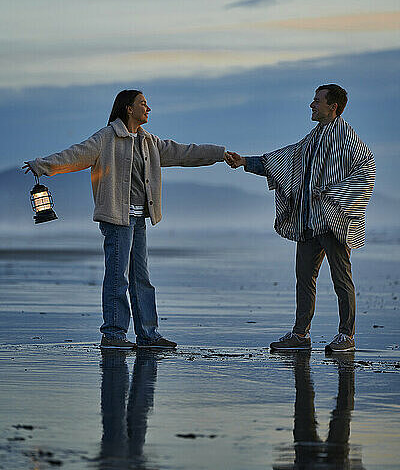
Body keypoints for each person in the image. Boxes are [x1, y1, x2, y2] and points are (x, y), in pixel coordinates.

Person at [23, 89, 228, 350]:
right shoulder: (106, 138)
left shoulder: (148, 142)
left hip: (139, 219)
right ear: (128, 108)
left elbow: (183, 152)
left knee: (141, 278)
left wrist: (219, 153)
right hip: (116, 219)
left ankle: (148, 335)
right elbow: (76, 154)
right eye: (143, 104)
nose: (148, 108)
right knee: (117, 278)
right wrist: (42, 165)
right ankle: (114, 334)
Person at [225, 84, 375, 353]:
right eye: (313, 100)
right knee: (304, 279)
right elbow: (282, 160)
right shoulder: (312, 138)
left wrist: (334, 195)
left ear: (333, 107)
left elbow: (366, 172)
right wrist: (244, 162)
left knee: (342, 278)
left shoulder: (347, 139)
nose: (311, 105)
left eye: (317, 101)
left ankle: (346, 336)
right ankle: (300, 334)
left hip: (332, 220)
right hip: (307, 221)